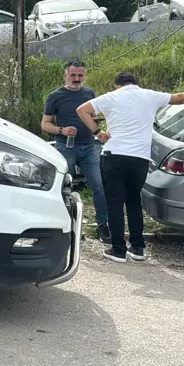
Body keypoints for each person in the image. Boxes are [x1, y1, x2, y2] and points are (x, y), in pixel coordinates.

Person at [77, 72, 184, 263]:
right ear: (135, 84)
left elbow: (82, 110)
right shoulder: (150, 95)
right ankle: (137, 247)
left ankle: (118, 249)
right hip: (140, 159)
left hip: (114, 156)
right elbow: (180, 98)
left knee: (114, 203)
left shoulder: (111, 97)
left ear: (117, 86)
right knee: (134, 201)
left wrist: (98, 132)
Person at [42, 61, 109, 243]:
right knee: (65, 188)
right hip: (66, 147)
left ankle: (103, 226)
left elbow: (92, 117)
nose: (77, 79)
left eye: (80, 75)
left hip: (89, 146)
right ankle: (68, 226)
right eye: (73, 75)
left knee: (99, 185)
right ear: (65, 76)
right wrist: (61, 130)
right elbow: (45, 124)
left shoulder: (89, 93)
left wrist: (97, 124)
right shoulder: (55, 96)